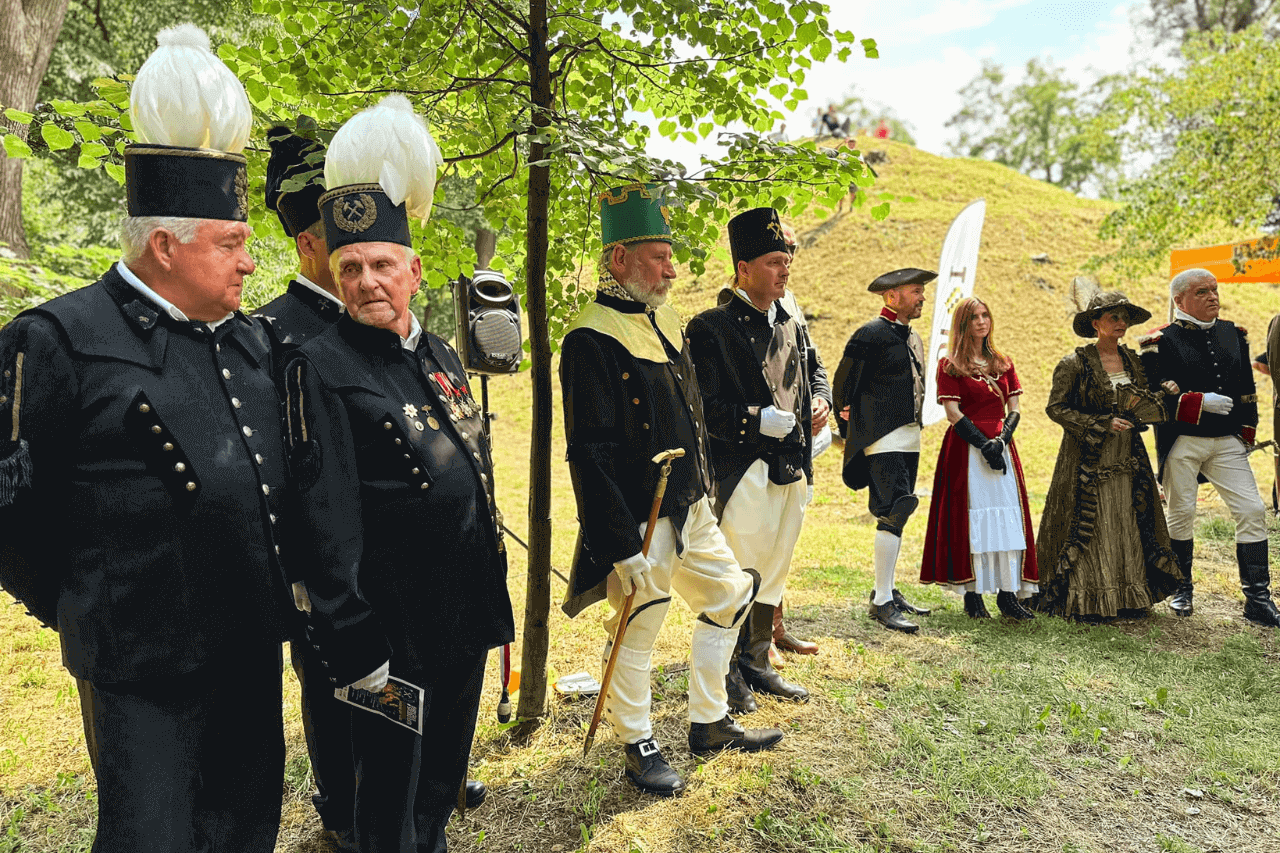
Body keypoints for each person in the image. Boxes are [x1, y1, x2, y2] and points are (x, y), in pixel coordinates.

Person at [0, 25, 290, 853]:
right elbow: (13, 514)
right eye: (232, 244)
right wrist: (89, 600)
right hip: (138, 670)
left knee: (244, 832)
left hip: (246, 654)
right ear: (166, 245)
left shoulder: (247, 340)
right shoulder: (58, 338)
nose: (248, 265)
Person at [282, 95, 515, 852]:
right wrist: (358, 653)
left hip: (460, 621)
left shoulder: (442, 353)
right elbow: (324, 524)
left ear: (413, 269)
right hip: (387, 641)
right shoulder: (320, 365)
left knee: (439, 785)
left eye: (382, 263)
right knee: (385, 802)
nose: (366, 280)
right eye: (350, 266)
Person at [560, 182, 783, 798]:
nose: (670, 268)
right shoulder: (589, 337)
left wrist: (704, 495)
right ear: (618, 261)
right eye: (657, 256)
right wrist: (618, 542)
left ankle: (709, 721)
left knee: (730, 593)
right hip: (640, 515)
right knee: (639, 625)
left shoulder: (662, 324)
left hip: (688, 504)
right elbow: (590, 451)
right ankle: (638, 743)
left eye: (669, 255)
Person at [686, 207, 829, 714]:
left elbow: (815, 372)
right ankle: (724, 672)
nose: (784, 269)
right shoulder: (710, 328)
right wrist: (755, 418)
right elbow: (701, 406)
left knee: (774, 569)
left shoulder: (791, 322)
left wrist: (821, 401)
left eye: (786, 259)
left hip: (792, 467)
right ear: (743, 269)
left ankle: (756, 661)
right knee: (738, 573)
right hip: (743, 468)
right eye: (773, 261)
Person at [1142, 268, 1280, 626]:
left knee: (1251, 510)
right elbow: (1153, 398)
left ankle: (1258, 598)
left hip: (1226, 441)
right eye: (1202, 291)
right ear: (1179, 300)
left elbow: (1248, 390)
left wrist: (1245, 433)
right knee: (1182, 512)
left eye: (1215, 290)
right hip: (1182, 441)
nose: (1213, 297)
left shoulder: (1234, 334)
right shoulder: (1160, 341)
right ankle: (1180, 588)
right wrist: (1197, 402)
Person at [1036, 291, 1183, 620]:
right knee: (1092, 522)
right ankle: (1087, 600)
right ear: (1095, 324)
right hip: (1087, 457)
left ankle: (1126, 596)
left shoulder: (1132, 361)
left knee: (1125, 518)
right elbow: (1056, 408)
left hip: (1127, 454)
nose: (1121, 323)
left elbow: (1140, 403)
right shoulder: (1074, 363)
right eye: (1113, 317)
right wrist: (1100, 422)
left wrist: (1162, 395)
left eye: (1124, 317)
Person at [919, 297, 1038, 618]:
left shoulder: (1002, 362)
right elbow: (953, 413)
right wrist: (984, 444)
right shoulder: (950, 365)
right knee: (972, 517)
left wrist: (1000, 441)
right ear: (963, 324)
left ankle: (1007, 594)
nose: (982, 322)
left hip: (1002, 445)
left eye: (986, 315)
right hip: (966, 448)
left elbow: (1014, 407)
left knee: (1007, 515)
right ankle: (973, 595)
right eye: (974, 317)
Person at [832, 268, 937, 633]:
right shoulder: (870, 334)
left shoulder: (913, 337)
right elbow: (843, 386)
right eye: (915, 291)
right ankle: (880, 602)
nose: (922, 297)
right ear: (891, 297)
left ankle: (888, 587)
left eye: (922, 291)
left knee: (901, 510)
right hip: (882, 436)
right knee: (892, 511)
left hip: (909, 435)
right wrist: (851, 430)